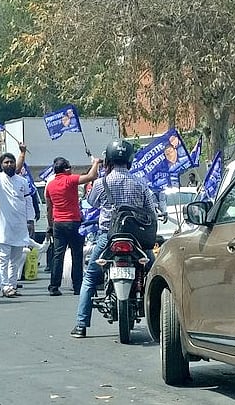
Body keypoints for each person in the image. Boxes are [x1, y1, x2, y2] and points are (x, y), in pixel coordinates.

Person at [71, 139, 156, 338]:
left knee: (90, 278)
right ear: (130, 160)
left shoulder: (101, 183)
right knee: (155, 274)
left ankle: (81, 325)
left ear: (108, 160)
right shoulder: (141, 182)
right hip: (137, 240)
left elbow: (90, 202)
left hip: (107, 238)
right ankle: (160, 322)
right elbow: (151, 210)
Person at [0, 141, 30, 298]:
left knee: (16, 259)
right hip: (3, 227)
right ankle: (4, 286)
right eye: (6, 162)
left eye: (11, 162)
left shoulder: (22, 181)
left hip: (19, 226)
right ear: (1, 165)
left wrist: (30, 221)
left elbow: (27, 203)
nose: (9, 164)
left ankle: (12, 284)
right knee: (2, 259)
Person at [46, 155, 101, 296]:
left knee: (58, 255)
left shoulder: (50, 185)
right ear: (65, 169)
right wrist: (95, 163)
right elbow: (91, 176)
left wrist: (50, 225)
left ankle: (54, 286)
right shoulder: (70, 180)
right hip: (73, 222)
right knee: (77, 255)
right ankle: (77, 286)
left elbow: (49, 208)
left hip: (58, 223)